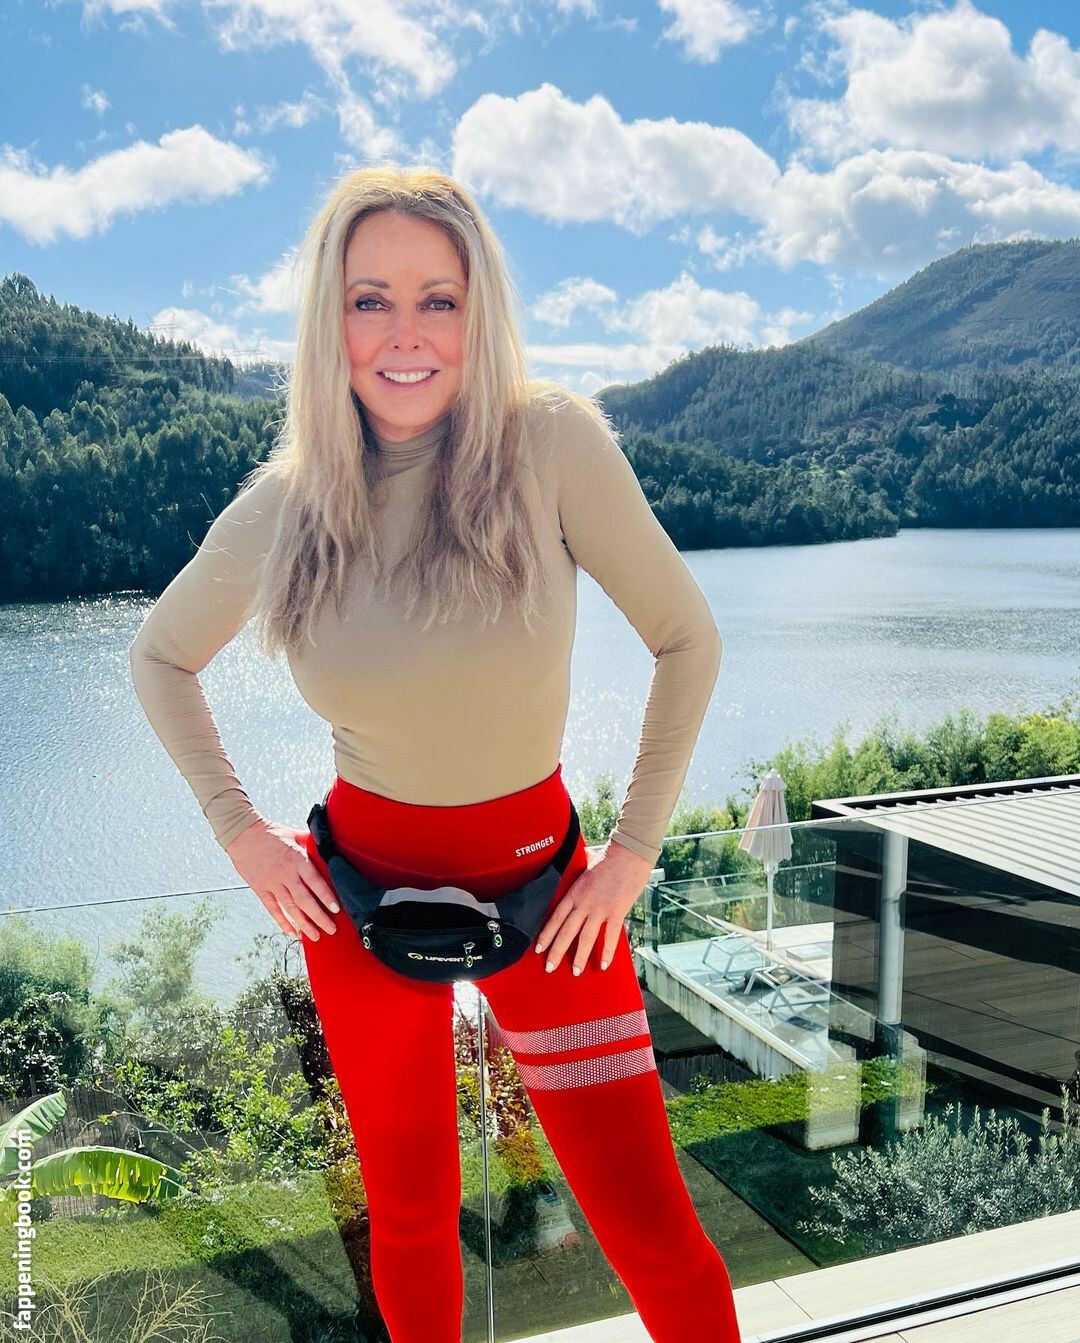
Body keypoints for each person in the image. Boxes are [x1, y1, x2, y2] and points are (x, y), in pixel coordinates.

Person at [128, 164, 741, 1343]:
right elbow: (158, 656)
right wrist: (242, 834)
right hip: (356, 909)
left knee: (652, 1226)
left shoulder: (550, 441)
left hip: (554, 904)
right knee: (410, 1222)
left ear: (479, 310)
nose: (404, 333)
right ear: (332, 319)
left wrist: (631, 854)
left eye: (437, 299)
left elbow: (687, 637)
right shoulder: (290, 500)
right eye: (370, 300)